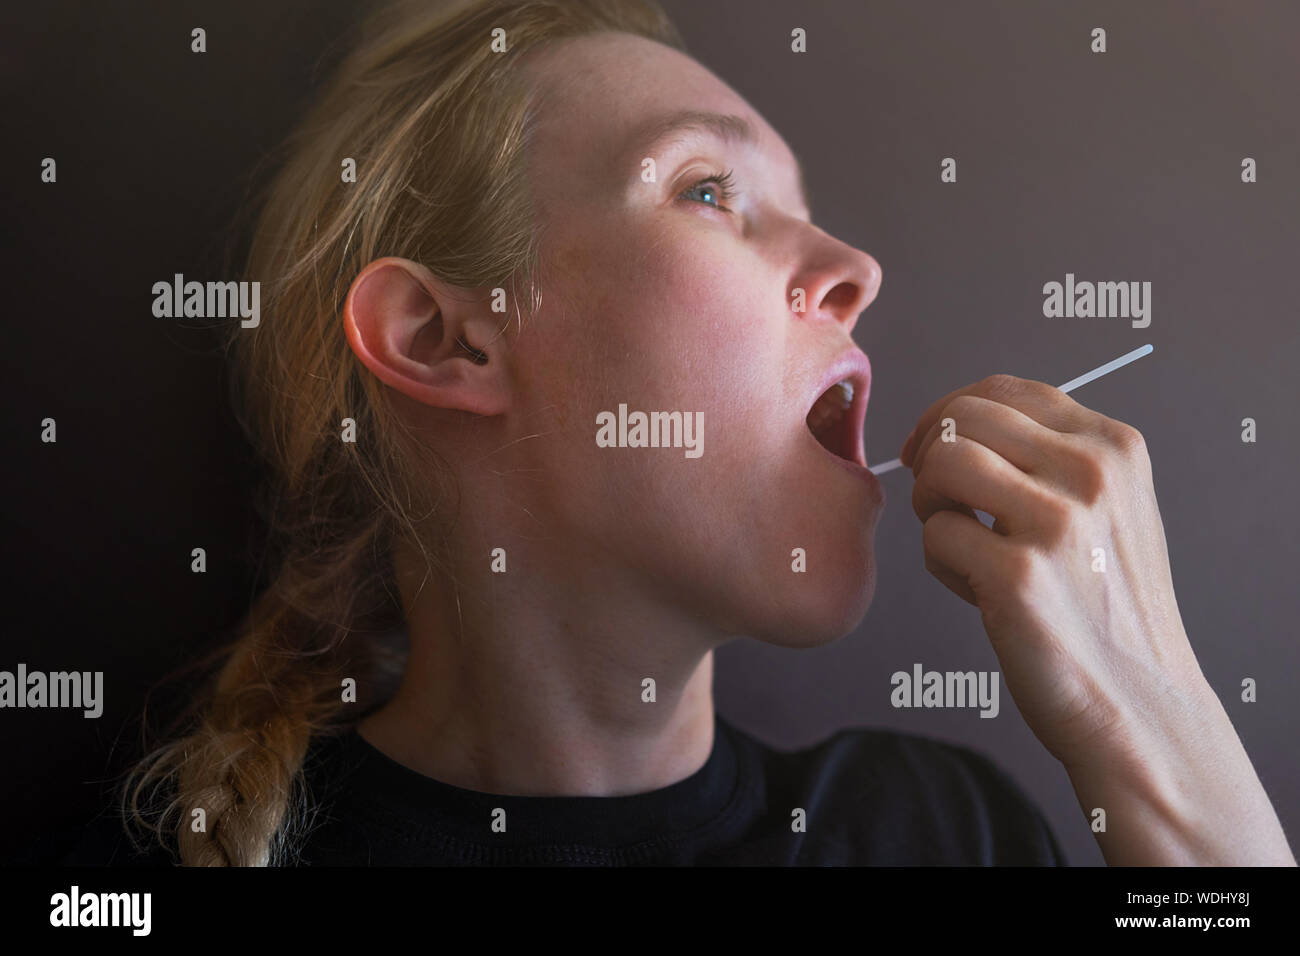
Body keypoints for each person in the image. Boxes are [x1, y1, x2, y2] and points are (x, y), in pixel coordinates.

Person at [63, 0, 1293, 866]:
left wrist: (1152, 720)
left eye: (811, 214)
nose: (857, 268)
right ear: (444, 339)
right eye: (711, 191)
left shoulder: (942, 829)